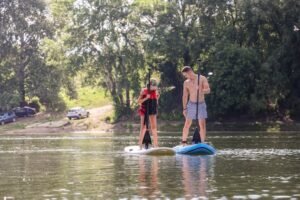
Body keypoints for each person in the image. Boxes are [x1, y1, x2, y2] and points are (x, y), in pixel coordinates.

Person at [181, 66, 210, 145]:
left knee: (202, 124)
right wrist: (184, 108)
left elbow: (208, 90)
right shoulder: (186, 82)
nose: (186, 77)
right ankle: (183, 142)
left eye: (186, 75)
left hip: (201, 104)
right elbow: (185, 96)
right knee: (187, 124)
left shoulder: (202, 78)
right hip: (191, 104)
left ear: (190, 71)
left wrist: (201, 90)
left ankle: (202, 143)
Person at [137, 79, 159, 149]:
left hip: (152, 110)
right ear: (149, 85)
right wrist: (146, 97)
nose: (154, 88)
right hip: (144, 110)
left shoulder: (156, 91)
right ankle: (140, 145)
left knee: (154, 127)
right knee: (143, 127)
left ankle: (156, 145)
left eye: (155, 86)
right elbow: (139, 101)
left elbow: (157, 99)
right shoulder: (144, 91)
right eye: (153, 86)